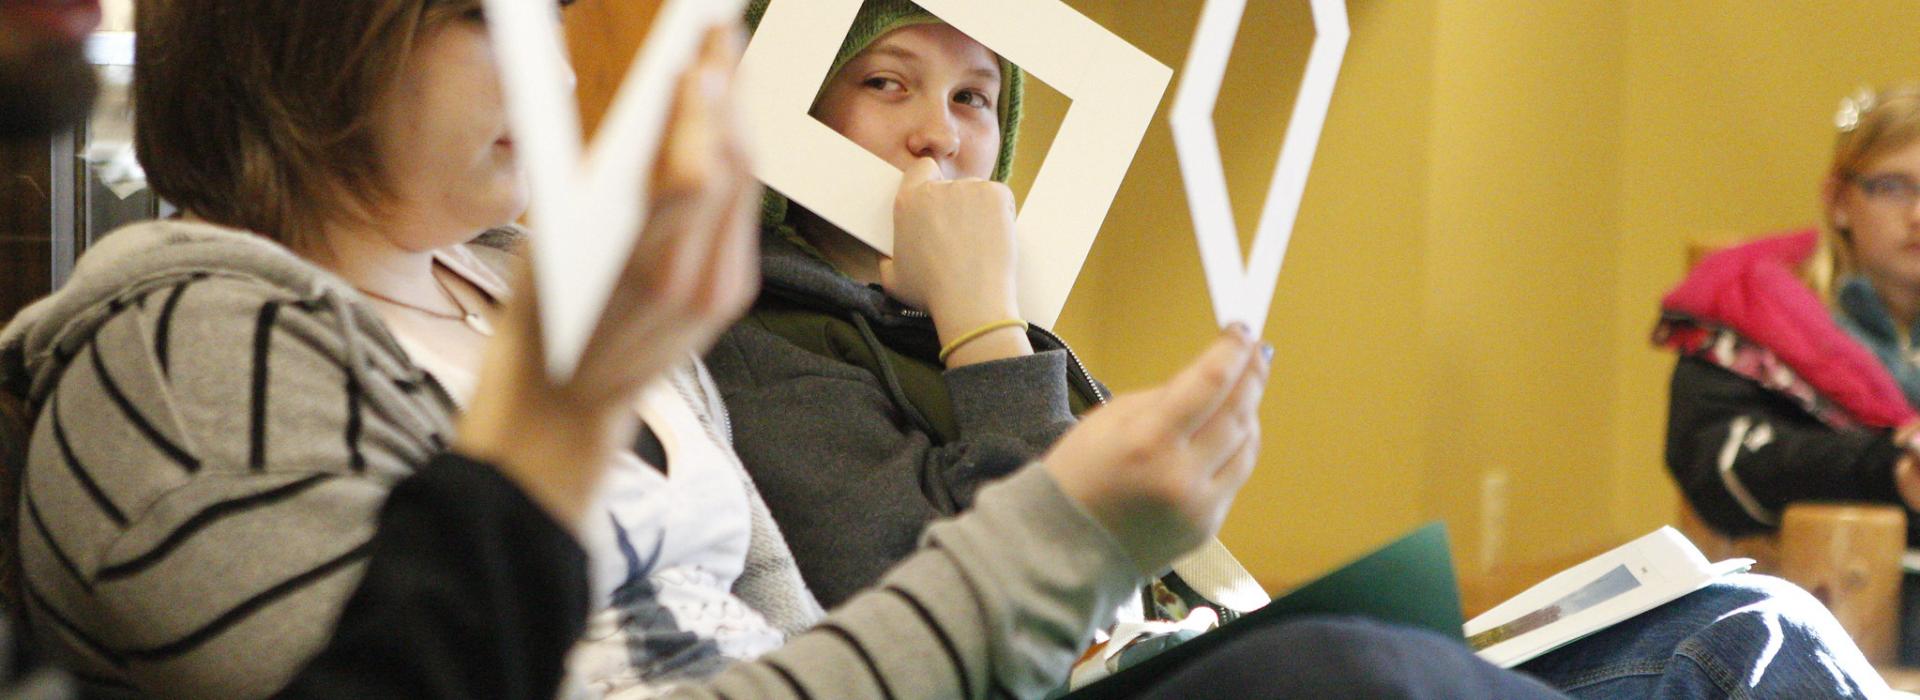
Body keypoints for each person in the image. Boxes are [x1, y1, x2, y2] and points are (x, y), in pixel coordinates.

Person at [711, 1, 1896, 698]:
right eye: (885, 82)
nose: (940, 137)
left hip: (1201, 647)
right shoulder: (758, 343)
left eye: (976, 99)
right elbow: (1002, 603)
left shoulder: (991, 328)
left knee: (1751, 615)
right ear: (801, 114)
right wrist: (984, 326)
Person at [1658, 84, 1920, 664]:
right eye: (1892, 187)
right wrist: (1888, 471)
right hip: (1818, 627)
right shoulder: (1753, 311)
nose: (1918, 215)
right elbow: (1716, 464)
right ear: (1839, 199)